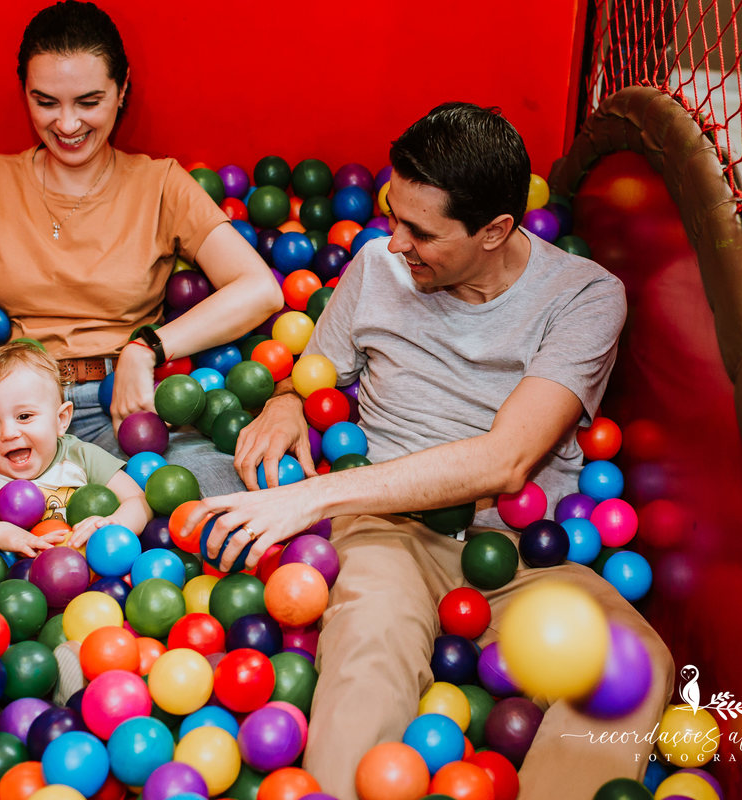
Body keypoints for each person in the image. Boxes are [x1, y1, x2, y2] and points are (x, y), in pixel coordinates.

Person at [186, 103, 674, 799]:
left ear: (495, 230)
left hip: (523, 554)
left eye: (420, 231)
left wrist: (310, 496)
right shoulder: (374, 266)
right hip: (390, 531)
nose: (394, 242)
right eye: (391, 213)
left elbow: (509, 458)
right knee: (368, 652)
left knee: (633, 662)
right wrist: (285, 401)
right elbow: (314, 375)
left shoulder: (584, 296)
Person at [0, 1, 279, 497]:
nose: (67, 125)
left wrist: (147, 347)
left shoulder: (161, 184)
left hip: (124, 415)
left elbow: (260, 289)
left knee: (240, 496)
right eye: (46, 102)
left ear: (122, 89)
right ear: (24, 91)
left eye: (88, 102)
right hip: (6, 420)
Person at [0, 342, 151, 557]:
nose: (9, 433)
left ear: (61, 419)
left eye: (24, 416)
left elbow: (139, 501)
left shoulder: (81, 456)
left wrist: (113, 525)